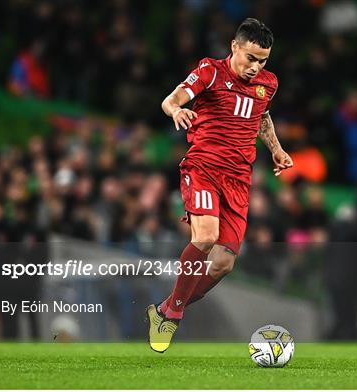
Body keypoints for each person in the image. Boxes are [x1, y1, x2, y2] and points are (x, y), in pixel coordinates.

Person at [146, 18, 293, 353]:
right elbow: (173, 99)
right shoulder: (211, 71)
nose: (256, 67)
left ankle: (167, 309)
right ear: (235, 47)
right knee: (206, 237)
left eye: (263, 61)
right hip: (204, 169)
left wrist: (276, 148)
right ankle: (173, 317)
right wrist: (175, 111)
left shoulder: (268, 84)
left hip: (239, 179)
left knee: (224, 263)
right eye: (251, 58)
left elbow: (262, 117)